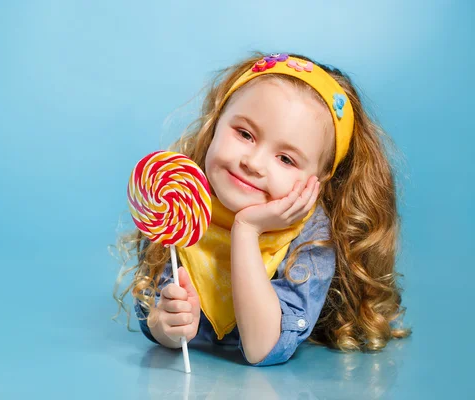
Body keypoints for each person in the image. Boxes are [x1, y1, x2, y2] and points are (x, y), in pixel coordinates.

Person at [112, 51, 412, 366]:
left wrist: (247, 229)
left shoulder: (311, 239)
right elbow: (158, 311)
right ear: (217, 121)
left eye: (286, 159)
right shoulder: (177, 203)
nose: (253, 164)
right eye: (244, 134)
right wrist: (166, 327)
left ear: (319, 180)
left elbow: (261, 349)